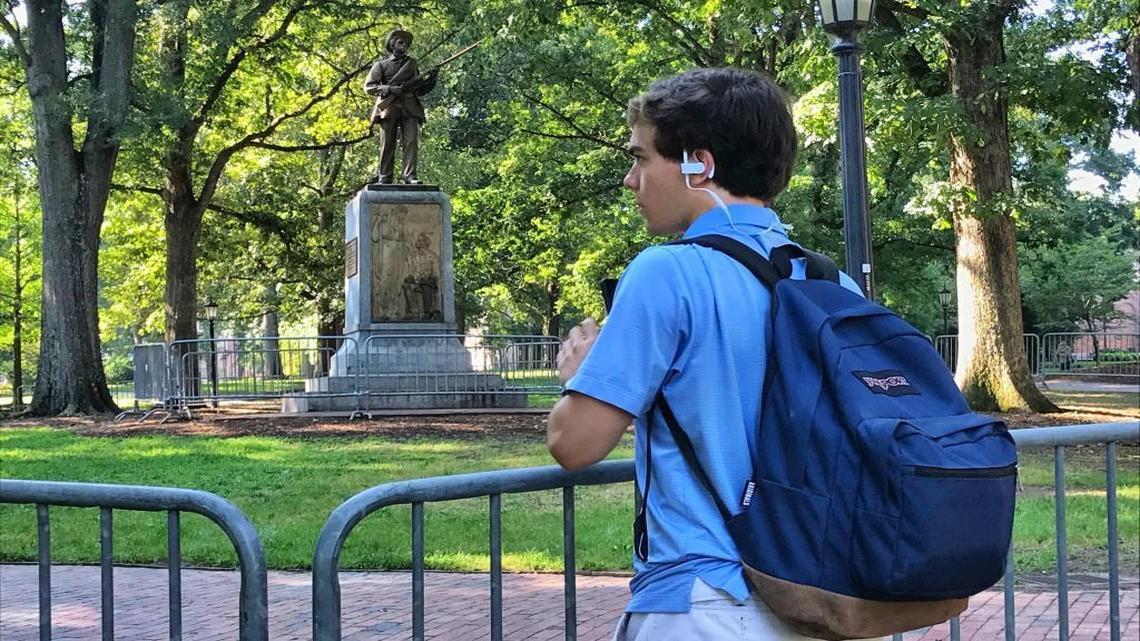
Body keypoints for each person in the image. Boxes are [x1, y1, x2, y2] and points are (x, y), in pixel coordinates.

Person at [546, 67, 863, 641]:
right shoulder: (834, 283)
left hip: (705, 602)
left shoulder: (666, 273)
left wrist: (582, 372)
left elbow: (575, 444)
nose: (629, 179)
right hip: (821, 598)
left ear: (700, 164)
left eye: (642, 158)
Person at [364, 28, 438, 184]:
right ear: (392, 44)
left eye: (406, 44)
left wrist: (431, 78)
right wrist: (389, 89)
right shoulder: (381, 65)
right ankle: (385, 176)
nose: (404, 46)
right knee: (387, 143)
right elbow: (369, 87)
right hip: (388, 108)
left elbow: (419, 89)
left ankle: (410, 176)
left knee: (411, 142)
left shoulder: (412, 64)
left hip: (410, 106)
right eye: (400, 42)